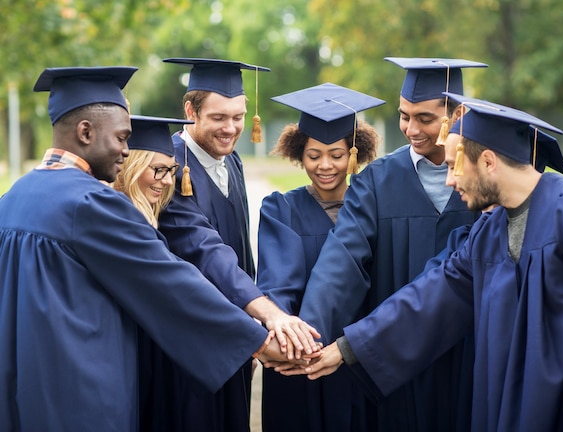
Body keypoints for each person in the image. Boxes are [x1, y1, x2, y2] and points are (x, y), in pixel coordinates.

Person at [291, 94, 563, 431]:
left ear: (489, 162)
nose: (449, 179)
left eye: (453, 165)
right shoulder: (488, 232)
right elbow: (430, 299)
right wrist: (346, 350)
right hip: (506, 406)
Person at [0, 66, 299, 432]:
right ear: (85, 132)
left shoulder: (13, 197)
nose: (127, 149)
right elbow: (169, 281)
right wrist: (255, 340)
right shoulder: (91, 204)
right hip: (80, 392)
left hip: (22, 389)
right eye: (122, 137)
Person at [297, 58, 487, 431]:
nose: (411, 129)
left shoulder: (485, 178)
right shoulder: (376, 181)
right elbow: (343, 258)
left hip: (471, 347)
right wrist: (309, 331)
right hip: (396, 352)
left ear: (457, 113)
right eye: (404, 115)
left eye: (425, 118)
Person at [155, 58, 318, 432]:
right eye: (218, 117)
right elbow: (205, 248)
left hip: (233, 338)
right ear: (189, 111)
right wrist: (269, 313)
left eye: (238, 116)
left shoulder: (232, 161)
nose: (231, 129)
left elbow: (241, 253)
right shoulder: (168, 168)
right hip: (191, 342)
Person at [257, 83, 383, 432]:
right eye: (313, 156)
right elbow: (276, 282)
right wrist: (289, 340)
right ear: (300, 154)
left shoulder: (377, 208)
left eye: (336, 154)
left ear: (354, 153)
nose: (325, 166)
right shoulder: (281, 209)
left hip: (359, 358)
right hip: (298, 362)